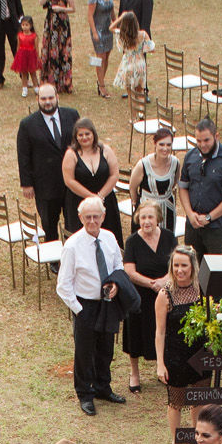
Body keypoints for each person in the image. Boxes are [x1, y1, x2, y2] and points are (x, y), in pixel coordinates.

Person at [56, 196, 127, 418]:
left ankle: (103, 388)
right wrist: (79, 310)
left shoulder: (109, 237)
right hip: (85, 304)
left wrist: (116, 284)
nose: (92, 221)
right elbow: (63, 285)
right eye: (88, 217)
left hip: (107, 301)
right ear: (80, 218)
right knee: (84, 352)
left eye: (96, 216)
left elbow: (118, 264)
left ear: (103, 216)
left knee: (106, 348)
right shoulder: (72, 246)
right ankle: (85, 394)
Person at [155, 243, 209, 444]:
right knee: (176, 402)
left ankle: (196, 438)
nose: (180, 270)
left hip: (200, 354)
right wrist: (160, 363)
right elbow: (160, 332)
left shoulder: (202, 290)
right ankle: (176, 443)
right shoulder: (165, 294)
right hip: (176, 356)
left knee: (198, 399)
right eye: (176, 265)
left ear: (192, 266)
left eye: (184, 265)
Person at [120, 200, 175, 394]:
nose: (146, 221)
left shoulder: (168, 237)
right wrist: (151, 283)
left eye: (150, 217)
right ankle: (134, 373)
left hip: (165, 293)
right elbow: (129, 271)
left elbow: (176, 265)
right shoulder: (132, 241)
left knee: (166, 331)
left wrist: (163, 282)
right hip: (140, 294)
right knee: (135, 332)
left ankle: (163, 368)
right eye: (143, 217)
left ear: (158, 218)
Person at [17, 84, 79, 244]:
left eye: (51, 98)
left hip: (71, 182)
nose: (47, 102)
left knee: (73, 224)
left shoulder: (72, 115)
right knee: (49, 226)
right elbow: (23, 156)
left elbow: (80, 144)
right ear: (37, 100)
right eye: (43, 99)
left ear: (57, 97)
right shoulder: (27, 125)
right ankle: (52, 255)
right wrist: (26, 184)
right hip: (45, 186)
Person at [177, 117, 222, 260]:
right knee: (191, 264)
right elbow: (183, 188)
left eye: (206, 140)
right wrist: (190, 214)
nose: (202, 145)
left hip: (217, 227)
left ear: (216, 136)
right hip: (193, 224)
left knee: (214, 267)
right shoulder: (191, 156)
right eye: (199, 141)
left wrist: (209, 217)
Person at [62, 117, 122, 247]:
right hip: (79, 201)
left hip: (106, 200)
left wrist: (100, 196)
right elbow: (69, 181)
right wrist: (91, 197)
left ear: (93, 134)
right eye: (80, 135)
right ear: (76, 137)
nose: (84, 137)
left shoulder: (105, 150)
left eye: (87, 134)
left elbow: (114, 174)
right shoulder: (71, 154)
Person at [37, 0, 74, 94]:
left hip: (63, 26)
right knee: (49, 51)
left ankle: (64, 83)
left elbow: (73, 8)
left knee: (63, 52)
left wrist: (61, 9)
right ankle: (50, 81)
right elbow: (41, 2)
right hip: (50, 24)